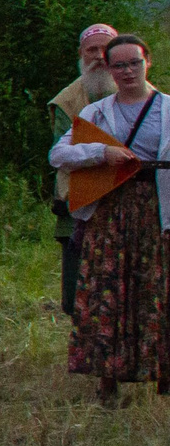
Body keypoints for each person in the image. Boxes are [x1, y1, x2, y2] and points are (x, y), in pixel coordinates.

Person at [49, 34, 170, 402]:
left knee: (157, 291)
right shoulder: (97, 112)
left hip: (158, 208)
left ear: (147, 61)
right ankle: (107, 378)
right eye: (119, 65)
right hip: (110, 211)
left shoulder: (168, 108)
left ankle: (161, 373)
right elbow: (59, 154)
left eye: (134, 62)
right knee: (107, 291)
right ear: (109, 68)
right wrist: (102, 152)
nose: (127, 71)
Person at [51, 23, 119, 317]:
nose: (100, 57)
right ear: (81, 53)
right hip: (78, 203)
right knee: (78, 298)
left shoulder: (140, 93)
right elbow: (62, 153)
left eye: (106, 49)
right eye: (92, 50)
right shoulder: (67, 101)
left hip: (128, 204)